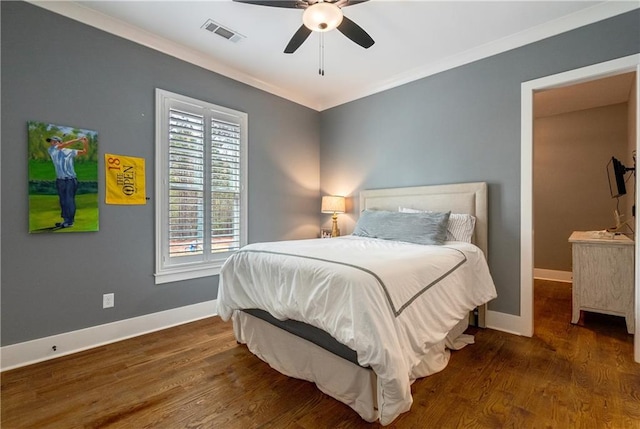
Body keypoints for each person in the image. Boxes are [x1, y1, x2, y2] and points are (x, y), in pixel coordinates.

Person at [46, 135, 88, 228]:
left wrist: (85, 143)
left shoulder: (69, 151)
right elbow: (64, 145)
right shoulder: (51, 150)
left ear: (59, 142)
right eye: (51, 141)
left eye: (54, 141)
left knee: (69, 201)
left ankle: (70, 221)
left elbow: (84, 152)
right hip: (60, 180)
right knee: (63, 201)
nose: (51, 143)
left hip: (71, 180)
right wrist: (78, 139)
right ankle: (65, 220)